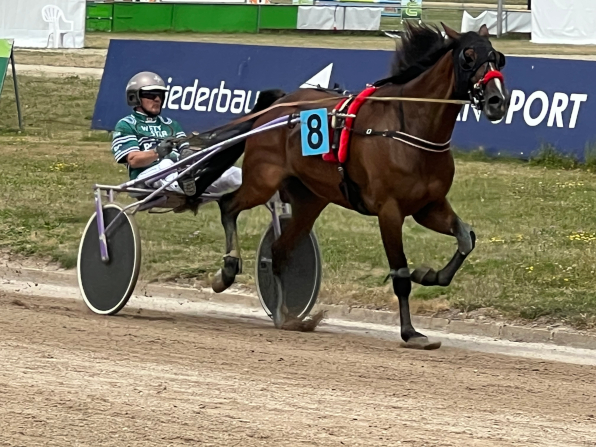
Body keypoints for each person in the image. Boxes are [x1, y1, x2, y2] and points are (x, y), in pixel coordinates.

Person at [111, 71, 242, 196]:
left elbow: (186, 149)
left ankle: (258, 185)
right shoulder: (126, 124)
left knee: (231, 172)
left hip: (181, 171)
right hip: (146, 177)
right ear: (135, 97)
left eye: (160, 95)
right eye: (151, 95)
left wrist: (191, 151)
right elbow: (133, 160)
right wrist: (157, 152)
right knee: (166, 164)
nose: (157, 99)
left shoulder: (171, 124)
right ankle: (183, 181)